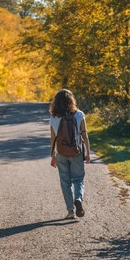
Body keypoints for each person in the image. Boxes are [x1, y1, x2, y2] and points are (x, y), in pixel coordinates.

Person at [49, 89, 91, 219]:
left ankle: (70, 211)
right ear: (71, 100)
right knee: (78, 179)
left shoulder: (54, 116)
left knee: (65, 182)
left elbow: (53, 138)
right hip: (77, 152)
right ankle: (78, 198)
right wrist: (88, 152)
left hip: (61, 153)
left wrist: (53, 156)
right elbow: (84, 134)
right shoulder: (79, 114)